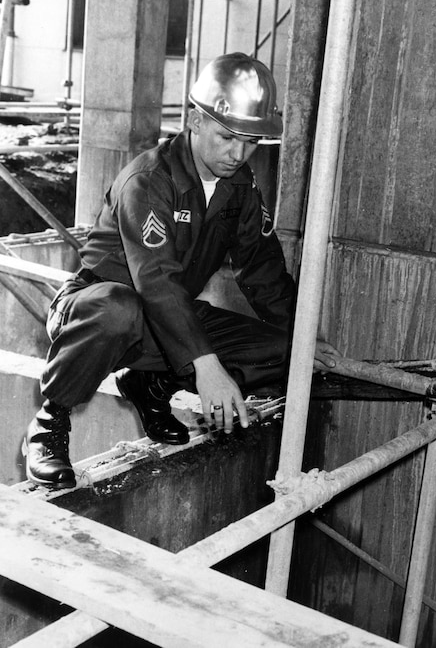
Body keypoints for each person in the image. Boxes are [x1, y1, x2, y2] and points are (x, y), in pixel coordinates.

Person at [23, 52, 340, 490]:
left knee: (285, 352)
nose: (238, 153)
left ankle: (151, 384)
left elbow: (263, 269)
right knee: (119, 308)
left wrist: (302, 336)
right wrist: (206, 368)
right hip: (94, 308)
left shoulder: (240, 187)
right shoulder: (150, 180)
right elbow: (155, 280)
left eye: (250, 141)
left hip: (165, 320)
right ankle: (48, 425)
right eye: (228, 137)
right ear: (195, 119)